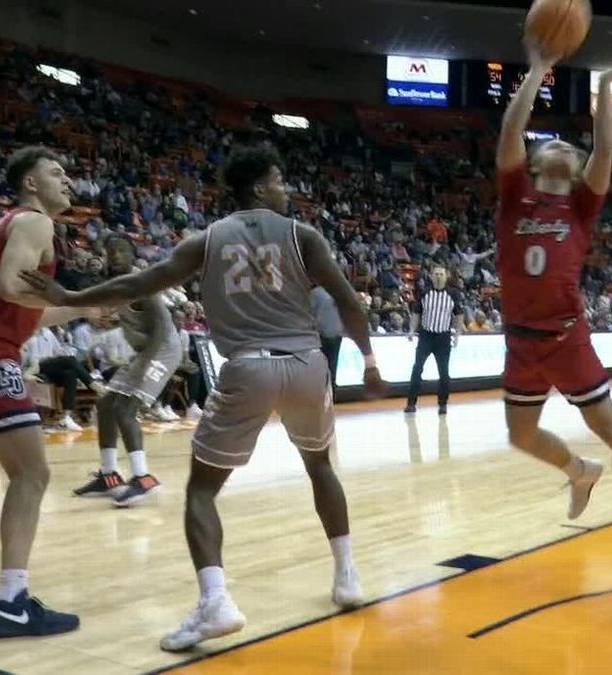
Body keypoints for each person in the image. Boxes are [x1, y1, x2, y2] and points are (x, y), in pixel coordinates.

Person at [21, 145, 389, 651]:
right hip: (306, 365)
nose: (287, 189)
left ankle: (215, 602)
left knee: (201, 490)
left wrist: (71, 297)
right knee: (320, 467)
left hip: (249, 366)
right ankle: (348, 577)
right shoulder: (304, 236)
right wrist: (369, 362)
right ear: (258, 187)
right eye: (279, 180)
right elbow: (349, 302)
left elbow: (143, 280)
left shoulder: (208, 239)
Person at [494, 33, 612, 560]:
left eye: (566, 149)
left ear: (576, 171)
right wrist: (537, 70)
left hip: (566, 336)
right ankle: (580, 472)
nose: (559, 147)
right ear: (532, 162)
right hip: (519, 341)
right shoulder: (514, 195)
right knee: (521, 436)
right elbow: (512, 128)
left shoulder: (580, 206)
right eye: (549, 144)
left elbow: (605, 145)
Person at [0, 146, 93, 637]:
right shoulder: (33, 222)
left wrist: (86, 307)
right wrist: (78, 296)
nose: (68, 181)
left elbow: (26, 310)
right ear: (29, 183)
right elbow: (7, 288)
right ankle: (12, 601)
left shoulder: (6, 227)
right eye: (56, 172)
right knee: (31, 474)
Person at [71, 234, 183, 507]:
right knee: (106, 404)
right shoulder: (114, 285)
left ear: (133, 255)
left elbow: (161, 327)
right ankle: (109, 475)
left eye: (121, 250)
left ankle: (142, 478)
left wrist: (145, 363)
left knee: (124, 409)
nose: (116, 256)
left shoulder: (142, 283)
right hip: (146, 350)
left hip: (163, 348)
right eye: (111, 251)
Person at [404, 265, 463, 415]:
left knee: (444, 372)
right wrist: (411, 330)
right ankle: (411, 403)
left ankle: (442, 404)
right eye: (435, 274)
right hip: (426, 336)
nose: (438, 276)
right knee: (417, 369)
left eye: (441, 274)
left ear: (446, 276)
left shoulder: (453, 294)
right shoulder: (424, 293)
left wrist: (457, 334)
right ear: (431, 276)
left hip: (443, 337)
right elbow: (416, 313)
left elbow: (459, 314)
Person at [311, 285, 343, 390]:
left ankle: (327, 388)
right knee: (331, 363)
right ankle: (329, 387)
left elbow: (310, 313)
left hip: (326, 333)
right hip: (332, 333)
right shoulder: (338, 291)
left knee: (326, 364)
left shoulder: (315, 293)